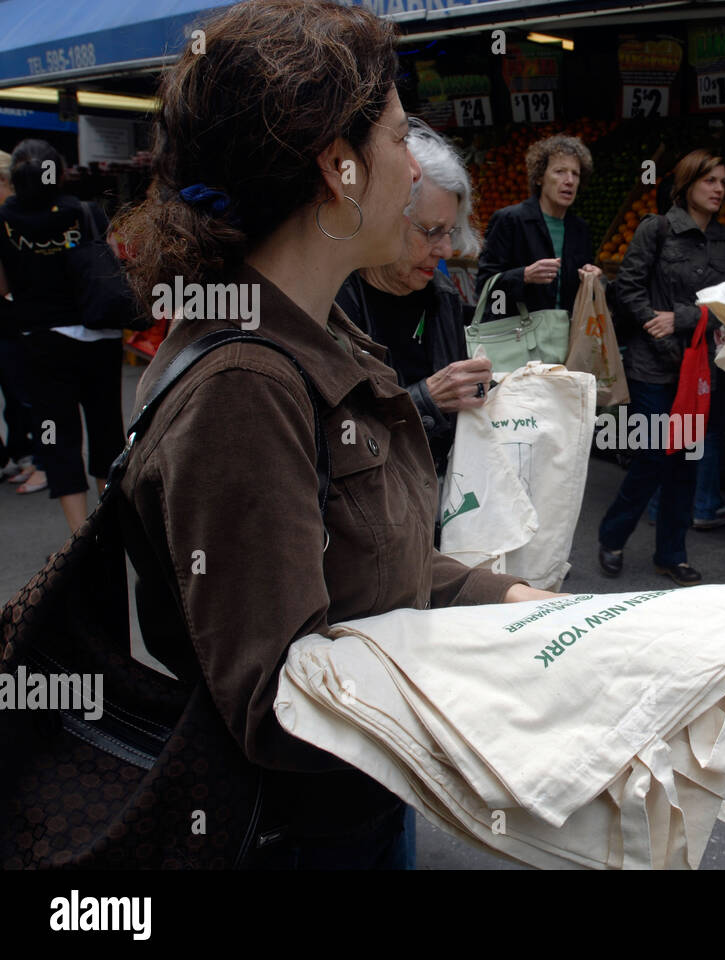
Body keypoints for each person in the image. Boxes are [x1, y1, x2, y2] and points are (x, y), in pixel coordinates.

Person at [112, 0, 556, 870]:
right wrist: (512, 696)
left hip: (360, 813)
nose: (413, 157)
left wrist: (511, 604)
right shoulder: (248, 385)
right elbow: (286, 695)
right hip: (302, 839)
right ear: (339, 171)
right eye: (397, 136)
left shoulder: (318, 332)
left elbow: (361, 562)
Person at [597, 149, 725, 586]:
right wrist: (651, 321)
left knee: (687, 461)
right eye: (709, 180)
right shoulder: (655, 229)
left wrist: (682, 318)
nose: (719, 189)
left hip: (699, 369)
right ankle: (612, 536)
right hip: (652, 366)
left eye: (722, 181)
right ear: (686, 184)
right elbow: (627, 289)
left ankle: (671, 554)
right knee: (653, 456)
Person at [334, 117, 491, 477]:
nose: (448, 250)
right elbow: (338, 435)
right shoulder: (337, 304)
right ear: (388, 216)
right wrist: (425, 399)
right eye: (433, 232)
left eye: (451, 232)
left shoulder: (442, 296)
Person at [0, 140, 123, 522]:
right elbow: (113, 264)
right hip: (100, 340)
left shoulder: (4, 221)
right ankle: (111, 524)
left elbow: (2, 288)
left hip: (43, 342)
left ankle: (79, 540)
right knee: (106, 429)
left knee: (58, 437)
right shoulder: (85, 212)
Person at [474, 134, 601, 318]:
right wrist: (524, 275)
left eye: (575, 174)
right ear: (540, 178)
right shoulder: (509, 220)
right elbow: (485, 287)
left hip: (566, 337)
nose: (569, 180)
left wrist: (593, 278)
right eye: (560, 171)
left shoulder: (580, 229)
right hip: (518, 337)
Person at [0, 148, 39, 485]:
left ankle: (37, 457)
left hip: (19, 317)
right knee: (20, 392)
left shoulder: (15, 216)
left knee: (24, 392)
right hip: (19, 316)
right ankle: (27, 454)